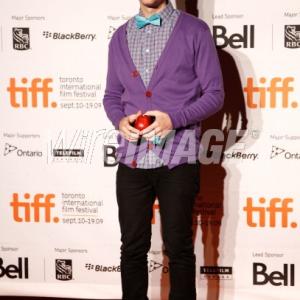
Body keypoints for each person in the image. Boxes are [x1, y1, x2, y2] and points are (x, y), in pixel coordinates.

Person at [102, 0, 224, 299]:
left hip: (178, 157)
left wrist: (175, 119)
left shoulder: (195, 30)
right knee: (132, 247)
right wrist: (120, 120)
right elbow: (111, 95)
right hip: (132, 159)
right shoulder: (120, 36)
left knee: (179, 248)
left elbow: (215, 94)